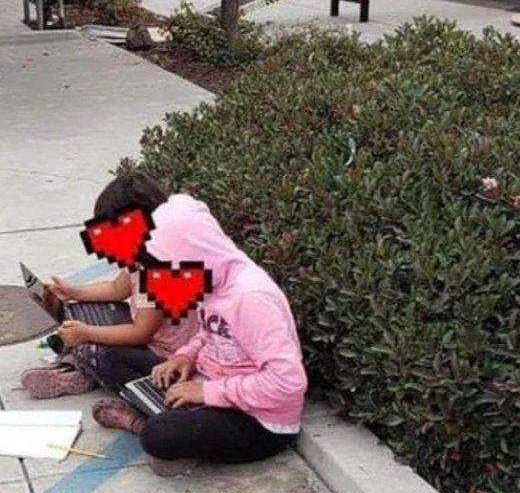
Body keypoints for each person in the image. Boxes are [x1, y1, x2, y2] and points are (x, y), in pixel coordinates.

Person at [90, 192, 308, 477]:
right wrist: (184, 357)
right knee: (110, 358)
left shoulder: (251, 298)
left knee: (159, 435)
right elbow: (210, 332)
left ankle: (147, 424)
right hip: (210, 382)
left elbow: (288, 382)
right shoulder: (212, 278)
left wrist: (207, 392)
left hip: (257, 421)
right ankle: (172, 418)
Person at [20, 173, 200, 398]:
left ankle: (81, 373)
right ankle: (79, 363)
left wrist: (87, 333)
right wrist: (74, 292)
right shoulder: (143, 256)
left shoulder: (161, 272)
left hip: (166, 358)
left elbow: (141, 333)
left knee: (107, 357)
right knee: (76, 311)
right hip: (147, 336)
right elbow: (117, 289)